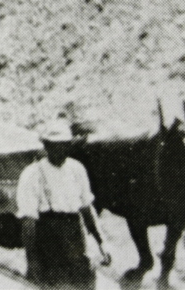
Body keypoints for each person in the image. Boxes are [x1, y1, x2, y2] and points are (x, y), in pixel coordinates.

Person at [17, 121, 111, 289]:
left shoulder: (77, 169)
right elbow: (28, 222)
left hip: (74, 236)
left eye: (64, 145)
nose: (60, 150)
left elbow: (86, 208)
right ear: (46, 146)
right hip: (48, 240)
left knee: (86, 282)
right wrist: (32, 261)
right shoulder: (32, 174)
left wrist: (101, 243)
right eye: (54, 146)